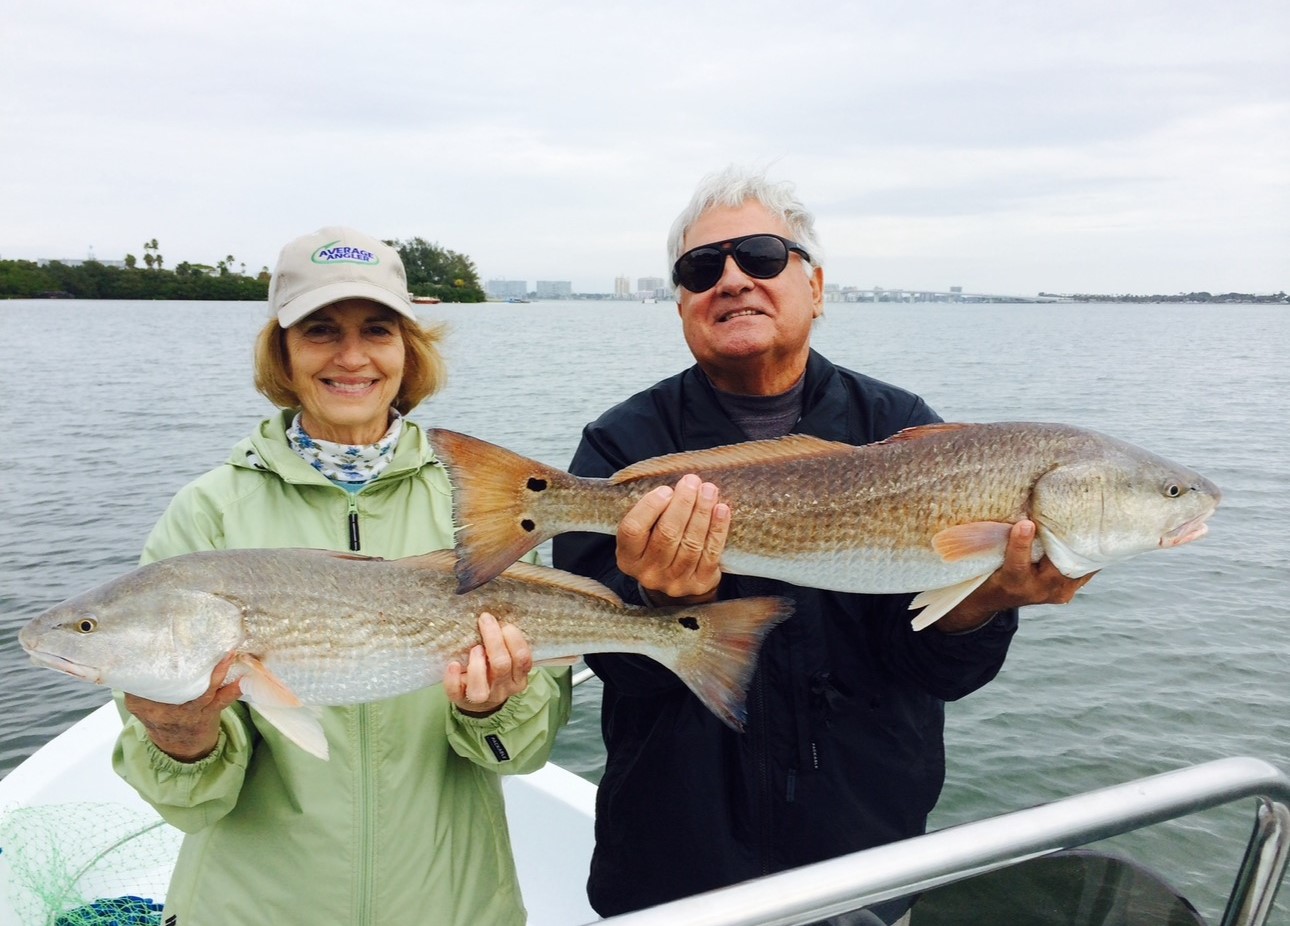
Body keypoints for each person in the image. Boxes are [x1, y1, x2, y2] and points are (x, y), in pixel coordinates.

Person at [551, 168, 1094, 925]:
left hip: (864, 858)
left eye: (764, 256)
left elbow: (933, 670)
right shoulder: (624, 445)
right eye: (702, 268)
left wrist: (985, 604)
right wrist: (664, 599)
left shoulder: (906, 430)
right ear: (680, 302)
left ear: (817, 285)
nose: (734, 278)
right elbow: (609, 662)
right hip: (671, 866)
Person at [112, 227, 570, 926]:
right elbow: (189, 804)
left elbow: (525, 754)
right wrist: (181, 739)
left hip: (455, 907)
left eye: (378, 330)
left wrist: (493, 710)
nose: (352, 356)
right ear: (284, 354)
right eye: (321, 330)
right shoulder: (205, 515)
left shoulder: (487, 505)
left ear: (407, 351)